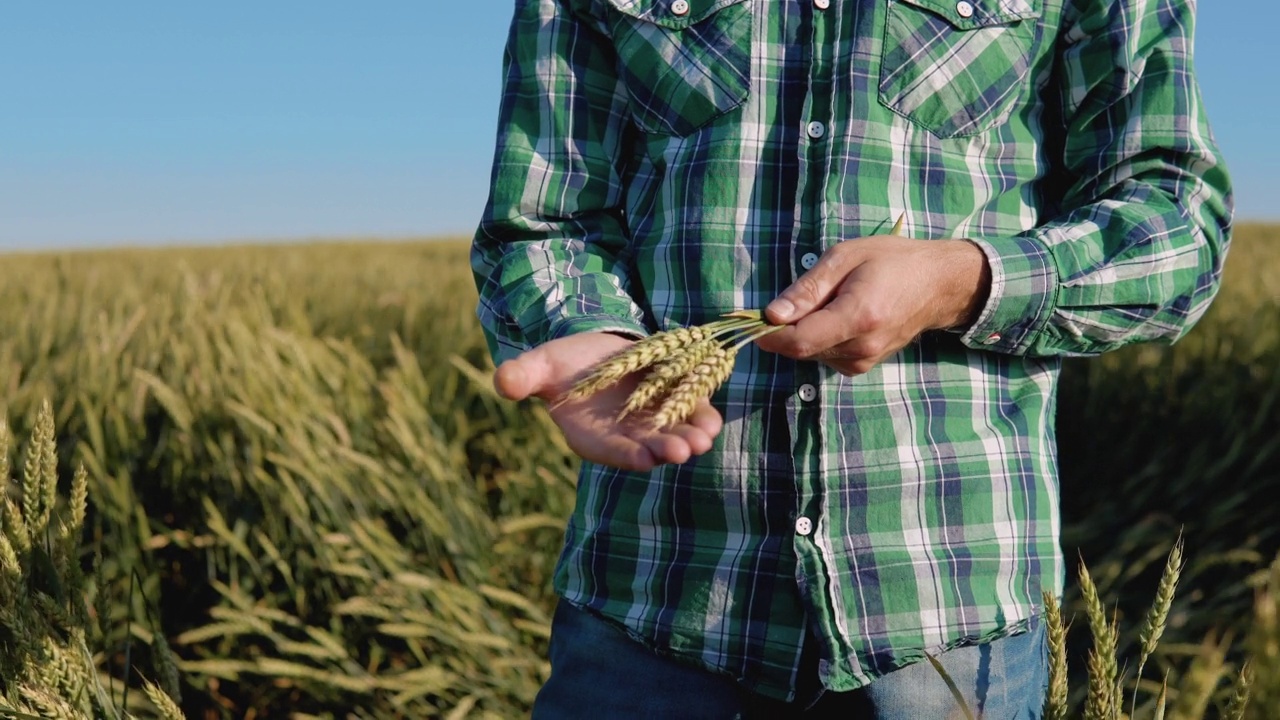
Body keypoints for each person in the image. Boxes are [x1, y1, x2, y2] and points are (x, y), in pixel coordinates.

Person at [471, 0, 1232, 716]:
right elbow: (544, 223)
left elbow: (1172, 224)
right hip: (653, 596)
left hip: (948, 618)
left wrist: (958, 284)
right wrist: (587, 328)